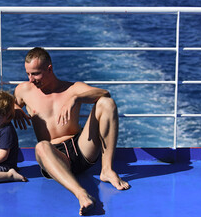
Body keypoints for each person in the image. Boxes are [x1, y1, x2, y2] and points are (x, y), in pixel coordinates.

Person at [14, 47, 130, 216]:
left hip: (81, 149)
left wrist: (76, 98)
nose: (31, 79)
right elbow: (7, 103)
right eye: (28, 74)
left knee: (107, 104)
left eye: (36, 74)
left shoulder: (73, 88)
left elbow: (105, 93)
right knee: (41, 147)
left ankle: (107, 170)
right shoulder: (24, 90)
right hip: (54, 157)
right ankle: (81, 194)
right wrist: (14, 107)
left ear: (49, 69)